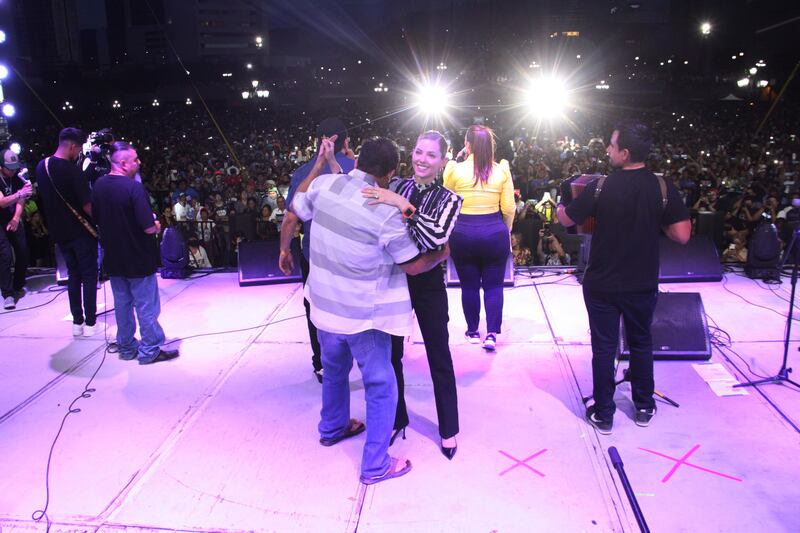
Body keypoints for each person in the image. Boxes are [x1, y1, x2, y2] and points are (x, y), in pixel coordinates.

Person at [291, 135, 449, 485]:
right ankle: (375, 465)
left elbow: (297, 206)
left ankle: (332, 427)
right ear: (390, 175)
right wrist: (441, 254)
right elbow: (412, 265)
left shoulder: (324, 185)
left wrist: (320, 165)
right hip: (363, 317)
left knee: (334, 370)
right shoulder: (384, 213)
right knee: (381, 385)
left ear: (358, 160)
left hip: (323, 307)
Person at [557, 121, 690, 434]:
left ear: (625, 153)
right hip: (642, 283)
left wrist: (562, 202)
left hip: (602, 283)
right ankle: (644, 406)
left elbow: (566, 219)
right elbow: (682, 235)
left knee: (603, 348)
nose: (607, 150)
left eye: (612, 145)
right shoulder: (662, 186)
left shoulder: (601, 186)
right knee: (641, 342)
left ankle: (604, 414)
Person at [361, 130, 463, 459]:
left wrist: (401, 205)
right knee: (391, 356)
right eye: (419, 152)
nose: (422, 159)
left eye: (431, 155)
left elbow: (435, 237)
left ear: (443, 161)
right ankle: (397, 417)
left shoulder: (449, 199)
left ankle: (449, 428)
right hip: (394, 278)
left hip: (428, 283)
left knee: (439, 356)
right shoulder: (397, 186)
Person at [279, 118, 355, 383]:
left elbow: (291, 217)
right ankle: (353, 358)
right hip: (349, 254)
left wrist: (284, 250)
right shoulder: (355, 168)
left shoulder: (303, 172)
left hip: (314, 253)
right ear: (342, 142)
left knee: (315, 306)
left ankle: (323, 363)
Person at [91, 142, 179, 365]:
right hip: (138, 258)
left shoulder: (99, 185)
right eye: (136, 159)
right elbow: (148, 227)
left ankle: (127, 347)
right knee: (146, 306)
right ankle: (149, 350)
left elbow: (97, 217)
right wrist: (157, 225)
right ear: (123, 163)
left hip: (114, 257)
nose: (139, 163)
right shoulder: (133, 188)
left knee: (122, 306)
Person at [443, 125, 515, 351]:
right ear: (491, 147)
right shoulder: (501, 170)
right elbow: (509, 208)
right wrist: (505, 231)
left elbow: (448, 201)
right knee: (494, 286)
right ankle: (492, 334)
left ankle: (473, 331)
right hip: (494, 231)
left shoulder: (454, 170)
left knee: (469, 286)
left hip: (463, 233)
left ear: (467, 145)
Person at [35, 128, 99, 336]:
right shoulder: (72, 171)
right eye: (78, 148)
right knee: (89, 276)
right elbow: (87, 205)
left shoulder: (41, 167)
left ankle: (77, 323)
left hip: (59, 232)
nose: (78, 152)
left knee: (73, 275)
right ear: (73, 146)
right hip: (81, 231)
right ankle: (90, 324)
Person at [0, 149, 33, 309]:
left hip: (13, 218)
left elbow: (22, 199)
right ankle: (7, 294)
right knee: (4, 256)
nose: (13, 171)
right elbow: (2, 202)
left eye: (15, 167)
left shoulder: (18, 176)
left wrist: (16, 218)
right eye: (9, 168)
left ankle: (18, 285)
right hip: (0, 222)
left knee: (22, 252)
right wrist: (19, 193)